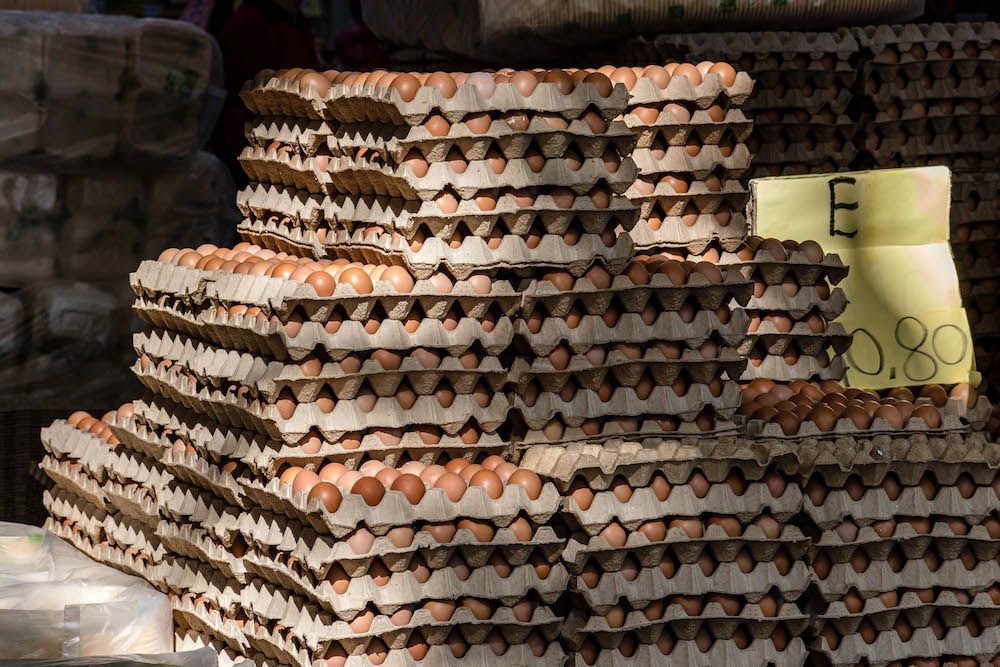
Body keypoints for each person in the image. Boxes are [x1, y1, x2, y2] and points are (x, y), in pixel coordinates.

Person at [213, 0, 321, 183]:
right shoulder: (248, 26)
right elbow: (240, 115)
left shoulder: (296, 22)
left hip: (298, 149)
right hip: (268, 163)